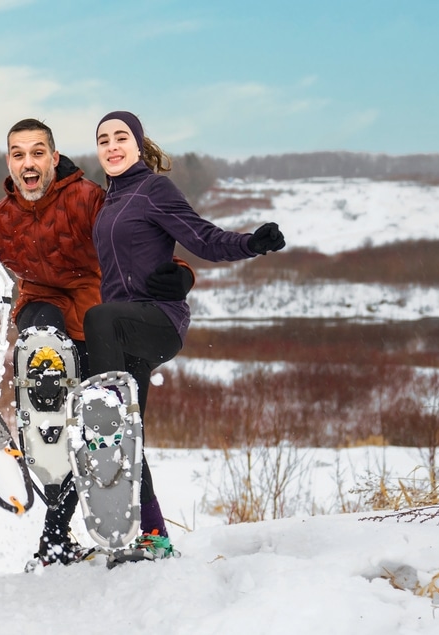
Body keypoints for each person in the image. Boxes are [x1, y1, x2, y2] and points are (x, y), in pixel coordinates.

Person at [0, 118, 195, 566]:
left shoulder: (89, 199)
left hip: (104, 326)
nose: (28, 162)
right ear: (9, 163)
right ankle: (55, 541)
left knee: (110, 433)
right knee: (52, 400)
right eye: (18, 154)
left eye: (37, 152)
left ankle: (153, 534)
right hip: (47, 318)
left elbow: (138, 244)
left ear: (53, 158)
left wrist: (180, 276)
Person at [87, 110, 286, 559]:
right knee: (131, 435)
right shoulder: (109, 200)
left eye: (121, 137)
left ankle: (104, 424)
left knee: (99, 322)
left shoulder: (153, 189)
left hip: (157, 319)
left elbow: (203, 238)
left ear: (139, 145)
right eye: (104, 140)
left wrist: (252, 243)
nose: (112, 146)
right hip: (122, 333)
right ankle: (154, 536)